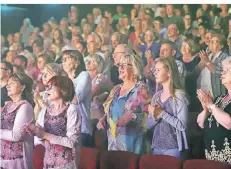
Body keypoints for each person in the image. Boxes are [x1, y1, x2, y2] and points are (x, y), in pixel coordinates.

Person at [97, 53, 151, 154]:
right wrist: (103, 119)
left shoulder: (141, 89)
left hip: (132, 143)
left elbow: (147, 113)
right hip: (113, 142)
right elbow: (110, 111)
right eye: (119, 65)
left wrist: (131, 116)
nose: (120, 68)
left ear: (135, 69)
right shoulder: (115, 89)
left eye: (124, 65)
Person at [26, 76, 82, 169]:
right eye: (47, 87)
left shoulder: (72, 109)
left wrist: (44, 134)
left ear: (62, 89)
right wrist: (35, 132)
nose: (47, 90)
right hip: (48, 163)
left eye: (51, 87)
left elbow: (72, 142)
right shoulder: (45, 111)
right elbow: (42, 141)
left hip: (66, 164)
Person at [147, 57, 189, 159]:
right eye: (154, 70)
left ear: (169, 72)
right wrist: (154, 117)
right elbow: (148, 125)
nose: (155, 73)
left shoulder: (178, 96)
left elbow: (182, 126)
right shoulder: (156, 96)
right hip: (156, 146)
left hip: (173, 148)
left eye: (158, 70)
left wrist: (162, 113)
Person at [197, 57, 231, 164]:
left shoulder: (214, 103)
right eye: (222, 70)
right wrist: (206, 108)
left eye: (227, 70)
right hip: (212, 157)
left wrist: (211, 105)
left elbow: (229, 123)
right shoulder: (218, 98)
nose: (222, 73)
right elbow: (201, 123)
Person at [1, 73, 34, 169]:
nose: (7, 86)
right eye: (8, 83)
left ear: (22, 87)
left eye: (12, 83)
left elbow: (16, 136)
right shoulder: (7, 105)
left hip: (17, 159)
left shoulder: (25, 107)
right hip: (3, 156)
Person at [62, 49, 93, 147]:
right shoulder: (64, 80)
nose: (64, 62)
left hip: (81, 128)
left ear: (77, 61)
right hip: (66, 128)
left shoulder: (84, 75)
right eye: (62, 60)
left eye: (66, 59)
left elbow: (76, 99)